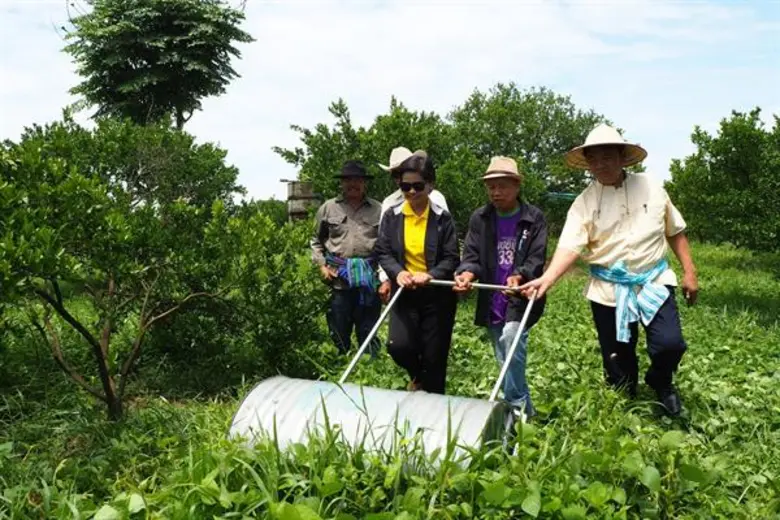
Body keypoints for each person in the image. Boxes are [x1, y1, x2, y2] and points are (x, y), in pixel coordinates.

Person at [518, 124, 699, 416]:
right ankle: (624, 402)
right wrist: (547, 279)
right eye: (594, 159)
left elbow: (675, 231)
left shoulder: (651, 186)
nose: (600, 164)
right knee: (618, 360)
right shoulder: (583, 203)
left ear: (622, 156)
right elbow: (569, 247)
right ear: (587, 164)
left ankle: (661, 380)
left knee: (670, 345)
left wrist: (690, 272)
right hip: (608, 290)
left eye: (607, 156)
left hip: (654, 279)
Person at [453, 156, 547, 422]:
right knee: (503, 355)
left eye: (502, 186)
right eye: (491, 186)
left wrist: (520, 276)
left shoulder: (534, 218)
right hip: (492, 296)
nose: (496, 192)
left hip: (521, 295)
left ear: (517, 186)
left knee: (511, 339)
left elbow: (536, 258)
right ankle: (526, 411)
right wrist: (467, 272)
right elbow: (471, 254)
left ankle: (515, 409)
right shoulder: (480, 218)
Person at [375, 150, 459, 393]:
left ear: (430, 185)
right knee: (398, 346)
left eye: (418, 186)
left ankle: (435, 413)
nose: (411, 192)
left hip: (436, 295)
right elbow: (383, 251)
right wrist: (397, 273)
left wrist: (431, 274)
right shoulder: (392, 216)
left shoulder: (443, 219)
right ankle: (417, 377)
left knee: (434, 357)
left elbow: (451, 257)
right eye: (406, 186)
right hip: (405, 292)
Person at [311, 160, 383, 356]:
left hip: (369, 281)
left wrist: (386, 279)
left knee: (368, 331)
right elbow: (316, 241)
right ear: (341, 183)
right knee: (339, 331)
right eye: (348, 180)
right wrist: (322, 266)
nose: (353, 184)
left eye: (357, 180)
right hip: (338, 280)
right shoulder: (328, 208)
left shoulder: (379, 209)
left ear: (364, 183)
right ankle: (340, 365)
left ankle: (370, 371)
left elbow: (387, 246)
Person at [376, 147, 449, 304]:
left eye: (401, 171)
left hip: (435, 289)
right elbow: (384, 248)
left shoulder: (437, 201)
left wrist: (432, 275)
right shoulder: (389, 205)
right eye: (395, 174)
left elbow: (449, 251)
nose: (411, 190)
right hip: (402, 287)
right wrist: (388, 277)